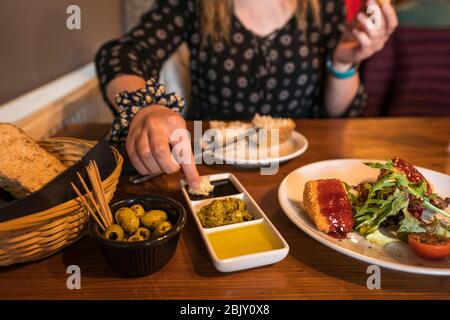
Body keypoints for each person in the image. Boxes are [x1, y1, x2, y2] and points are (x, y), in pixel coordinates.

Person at [95, 0, 398, 187]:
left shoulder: (323, 5)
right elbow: (122, 54)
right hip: (208, 171)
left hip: (300, 174)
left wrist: (344, 63)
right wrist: (145, 108)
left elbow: (337, 112)